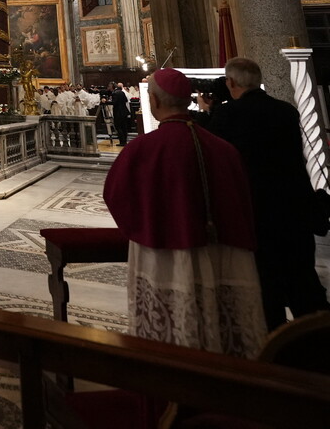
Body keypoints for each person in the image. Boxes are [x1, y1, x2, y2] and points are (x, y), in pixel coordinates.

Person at [104, 67, 266, 357]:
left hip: (165, 253)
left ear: (153, 101)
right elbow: (244, 198)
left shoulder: (143, 148)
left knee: (171, 329)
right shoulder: (223, 148)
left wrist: (143, 226)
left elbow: (116, 196)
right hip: (224, 253)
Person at [199, 56, 330, 330]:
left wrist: (211, 111)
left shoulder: (229, 115)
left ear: (231, 82)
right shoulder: (286, 111)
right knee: (303, 280)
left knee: (266, 285)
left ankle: (274, 352)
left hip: (257, 211)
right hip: (295, 207)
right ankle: (318, 341)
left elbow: (214, 152)